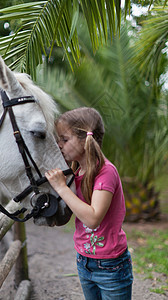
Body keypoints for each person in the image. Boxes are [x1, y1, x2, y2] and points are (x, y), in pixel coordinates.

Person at [45, 107, 133, 300]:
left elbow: (93, 218)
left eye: (64, 139)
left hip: (111, 266)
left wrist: (62, 189)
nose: (59, 145)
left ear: (86, 140)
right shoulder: (76, 171)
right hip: (84, 261)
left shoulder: (106, 172)